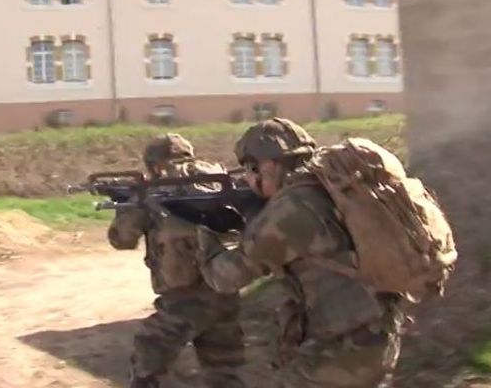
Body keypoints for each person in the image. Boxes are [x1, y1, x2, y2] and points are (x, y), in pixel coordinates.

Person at [195, 118, 405, 388]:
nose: (246, 179)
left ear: (269, 165)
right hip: (376, 336)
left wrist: (204, 231)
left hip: (342, 349)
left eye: (249, 169)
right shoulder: (328, 189)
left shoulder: (290, 210)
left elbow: (225, 278)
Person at [108, 133, 247, 388]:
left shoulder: (155, 189)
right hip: (225, 291)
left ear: (154, 163)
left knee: (149, 356)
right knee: (224, 371)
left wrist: (128, 205)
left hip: (184, 297)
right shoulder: (213, 180)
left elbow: (122, 239)